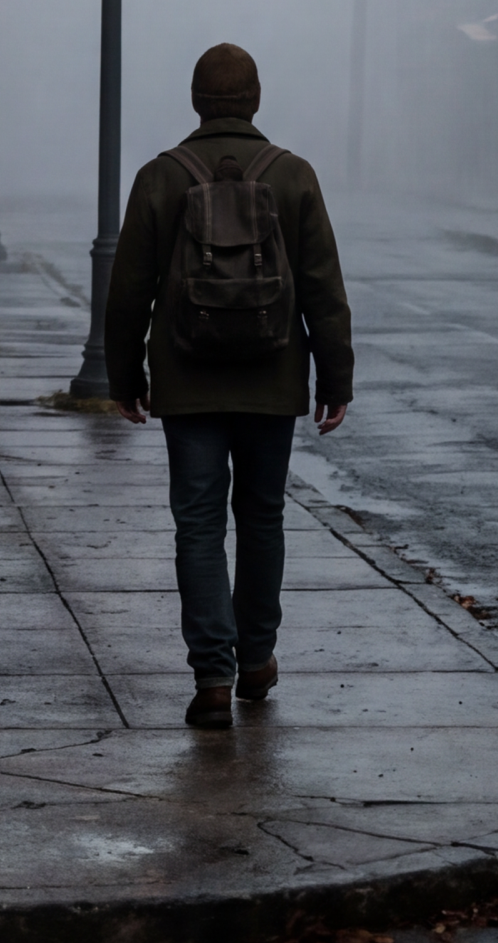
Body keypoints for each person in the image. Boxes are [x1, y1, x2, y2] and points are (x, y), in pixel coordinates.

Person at [103, 42, 353, 729]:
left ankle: (212, 676)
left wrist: (125, 376)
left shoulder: (161, 177)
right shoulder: (293, 175)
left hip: (188, 381)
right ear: (255, 100)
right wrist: (335, 378)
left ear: (196, 101)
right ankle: (258, 658)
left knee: (198, 522)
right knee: (262, 518)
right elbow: (324, 288)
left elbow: (128, 291)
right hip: (273, 379)